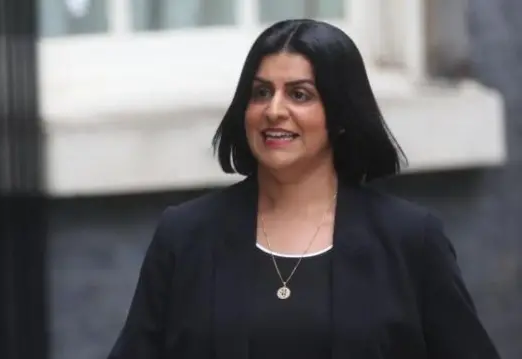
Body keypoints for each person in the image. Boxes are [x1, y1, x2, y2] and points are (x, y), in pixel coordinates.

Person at [107, 19, 500, 359]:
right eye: (261, 92)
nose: (274, 109)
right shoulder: (185, 236)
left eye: (300, 94)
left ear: (340, 115)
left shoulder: (411, 240)